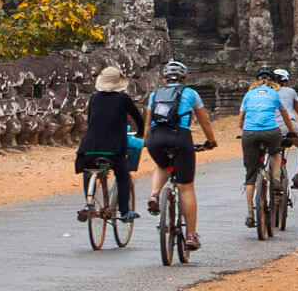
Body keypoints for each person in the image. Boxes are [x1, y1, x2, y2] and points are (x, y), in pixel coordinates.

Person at [144, 60, 218, 252]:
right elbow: (204, 122)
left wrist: (147, 142)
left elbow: (147, 124)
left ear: (164, 79)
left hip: (156, 138)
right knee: (186, 188)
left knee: (162, 165)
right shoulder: (190, 93)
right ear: (185, 78)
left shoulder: (154, 95)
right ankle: (191, 235)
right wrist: (210, 141)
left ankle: (154, 194)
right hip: (180, 137)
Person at [75, 66, 145, 223]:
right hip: (114, 149)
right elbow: (138, 118)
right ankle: (125, 212)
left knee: (89, 170)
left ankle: (89, 202)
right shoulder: (123, 99)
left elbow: (91, 120)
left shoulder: (93, 99)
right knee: (123, 175)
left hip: (90, 148)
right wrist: (141, 132)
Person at [239, 66, 298, 228]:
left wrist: (245, 130)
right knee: (275, 152)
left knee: (250, 176)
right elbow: (285, 117)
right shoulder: (275, 94)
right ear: (273, 81)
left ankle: (250, 213)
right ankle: (277, 178)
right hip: (271, 132)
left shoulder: (248, 94)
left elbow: (240, 121)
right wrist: (292, 132)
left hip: (250, 133)